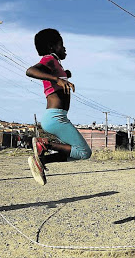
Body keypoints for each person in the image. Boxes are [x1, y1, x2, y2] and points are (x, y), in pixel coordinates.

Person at [26, 28, 92, 185]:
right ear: (51, 47)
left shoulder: (56, 65)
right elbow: (30, 71)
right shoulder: (49, 59)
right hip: (56, 118)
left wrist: (65, 75)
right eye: (61, 45)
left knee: (78, 151)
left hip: (56, 117)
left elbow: (55, 75)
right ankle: (44, 144)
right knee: (84, 152)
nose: (65, 48)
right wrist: (58, 79)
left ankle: (41, 160)